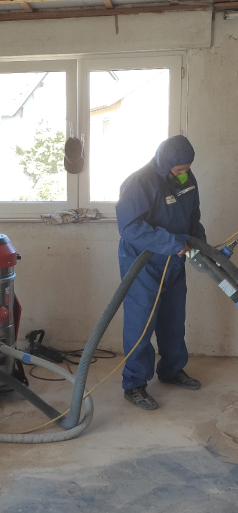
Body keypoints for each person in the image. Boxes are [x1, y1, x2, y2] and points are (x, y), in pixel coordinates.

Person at [115, 135, 206, 410]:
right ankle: (135, 384)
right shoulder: (138, 183)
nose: (184, 173)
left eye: (187, 168)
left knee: (174, 318)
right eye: (179, 169)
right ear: (165, 164)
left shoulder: (186, 179)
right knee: (141, 323)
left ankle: (172, 370)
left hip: (174, 261)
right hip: (143, 265)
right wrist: (172, 243)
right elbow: (130, 227)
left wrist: (201, 245)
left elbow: (193, 217)